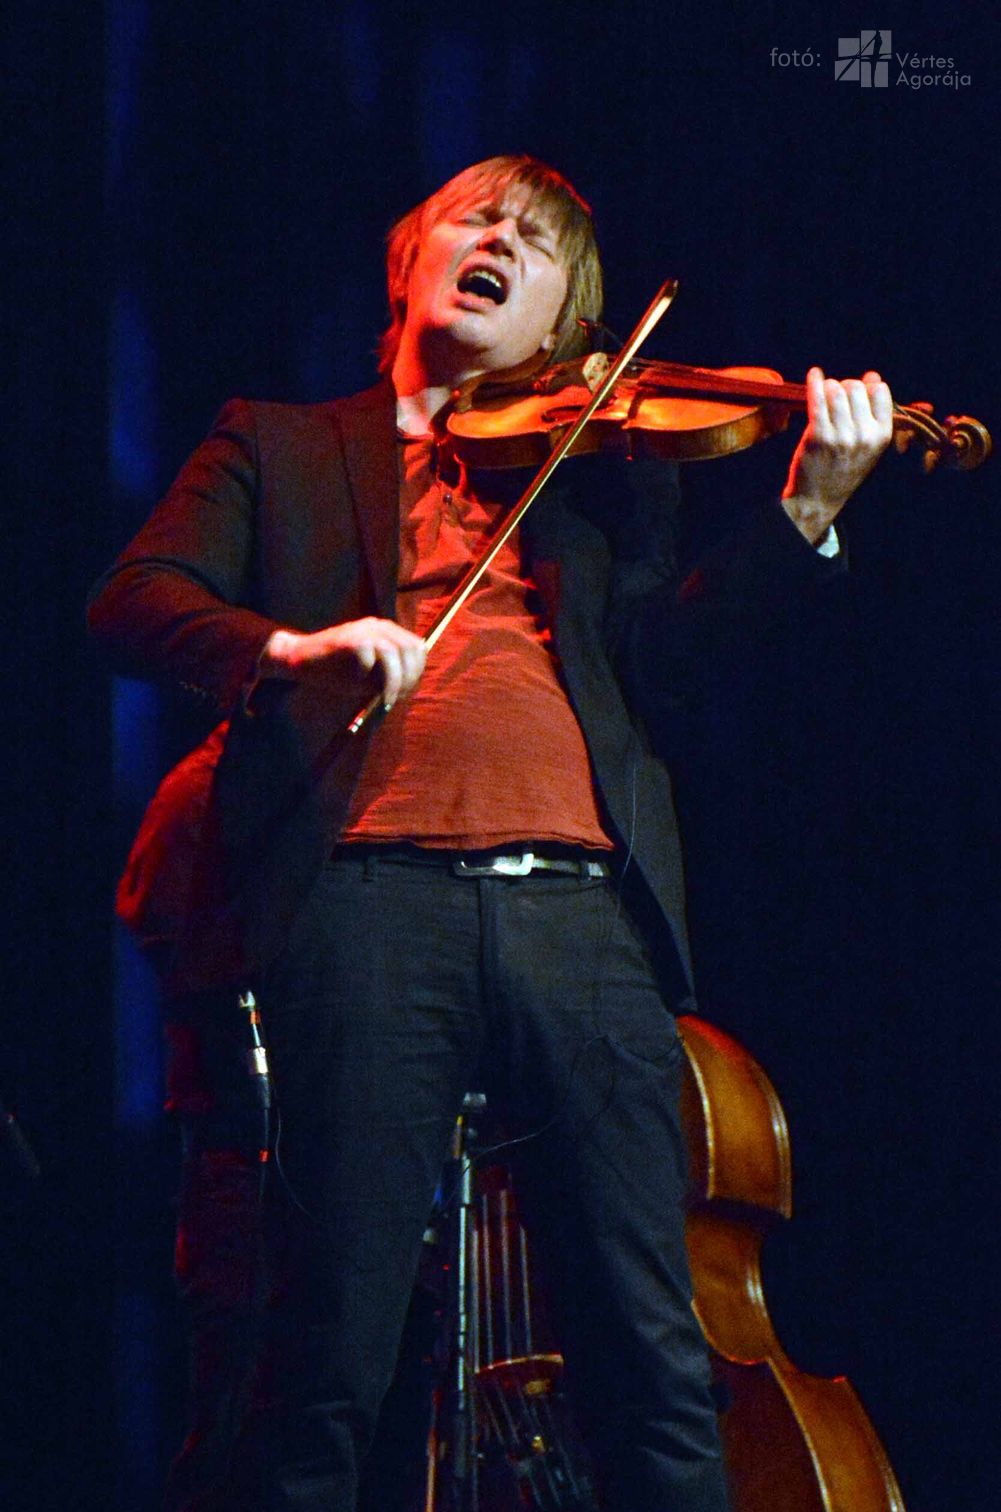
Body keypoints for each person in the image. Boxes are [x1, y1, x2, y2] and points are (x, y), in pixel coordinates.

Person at [88, 155, 893, 1512]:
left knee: (651, 1357)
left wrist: (802, 514)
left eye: (538, 242)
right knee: (323, 1353)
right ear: (408, 260)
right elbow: (135, 598)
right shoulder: (280, 444)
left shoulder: (598, 474)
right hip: (364, 901)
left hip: (581, 916)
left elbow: (673, 674)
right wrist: (288, 650)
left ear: (567, 329)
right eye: (479, 218)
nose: (503, 241)